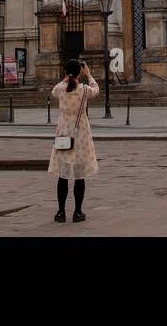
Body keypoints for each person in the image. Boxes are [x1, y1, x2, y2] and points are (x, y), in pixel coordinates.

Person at [48, 59, 99, 223]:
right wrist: (89, 74)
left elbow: (54, 90)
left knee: (62, 176)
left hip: (64, 134)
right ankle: (77, 212)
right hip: (81, 135)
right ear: (79, 73)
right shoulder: (84, 90)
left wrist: (66, 77)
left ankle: (61, 212)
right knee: (79, 176)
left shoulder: (61, 89)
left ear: (65, 73)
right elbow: (96, 89)